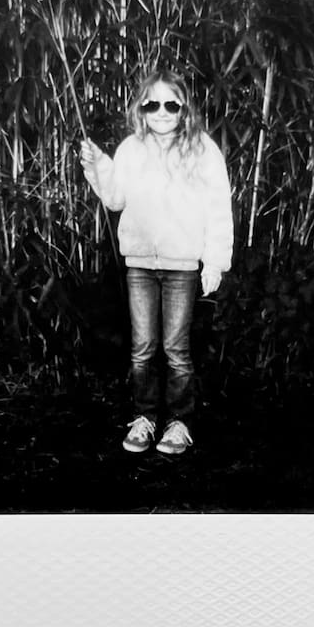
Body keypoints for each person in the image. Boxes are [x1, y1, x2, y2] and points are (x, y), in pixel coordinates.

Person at [80, 68, 233, 455]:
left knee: (176, 349)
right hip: (140, 265)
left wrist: (214, 262)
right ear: (141, 108)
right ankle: (145, 416)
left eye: (170, 104)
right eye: (152, 104)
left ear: (184, 108)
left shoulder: (202, 149)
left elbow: (219, 209)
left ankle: (179, 422)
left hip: (182, 266)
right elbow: (115, 198)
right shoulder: (131, 148)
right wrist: (98, 165)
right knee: (143, 346)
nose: (161, 112)